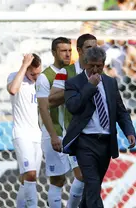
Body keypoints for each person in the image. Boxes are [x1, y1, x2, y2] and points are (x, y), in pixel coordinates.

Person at [63, 47, 136, 207]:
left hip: (105, 143)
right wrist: (89, 86)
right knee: (93, 183)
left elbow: (120, 110)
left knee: (92, 188)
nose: (95, 69)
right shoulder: (73, 83)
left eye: (99, 66)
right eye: (92, 66)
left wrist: (129, 131)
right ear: (85, 64)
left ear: (104, 64)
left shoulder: (110, 82)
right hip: (85, 143)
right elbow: (73, 107)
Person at [35, 37, 83, 208]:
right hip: (53, 133)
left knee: (82, 175)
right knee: (58, 179)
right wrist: (53, 135)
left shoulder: (74, 72)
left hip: (71, 132)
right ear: (54, 52)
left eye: (70, 51)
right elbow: (43, 108)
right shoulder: (45, 77)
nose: (68, 54)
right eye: (63, 51)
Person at [7, 53, 42, 208]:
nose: (35, 77)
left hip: (37, 135)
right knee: (30, 174)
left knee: (28, 178)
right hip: (21, 134)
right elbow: (13, 90)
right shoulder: (15, 77)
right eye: (32, 73)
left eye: (38, 73)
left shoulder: (42, 82)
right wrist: (23, 66)